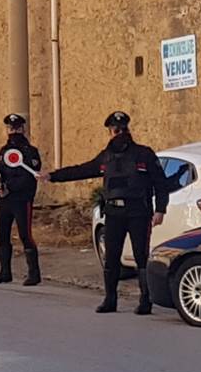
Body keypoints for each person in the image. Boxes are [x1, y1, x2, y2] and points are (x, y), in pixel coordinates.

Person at [42, 111, 167, 314]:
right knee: (112, 257)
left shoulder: (144, 154)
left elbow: (161, 184)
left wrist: (161, 209)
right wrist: (53, 176)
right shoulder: (106, 157)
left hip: (138, 212)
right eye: (116, 131)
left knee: (140, 256)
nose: (117, 134)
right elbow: (82, 170)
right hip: (113, 213)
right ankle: (110, 300)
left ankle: (145, 301)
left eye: (118, 130)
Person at [0, 113, 42, 286]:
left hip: (22, 199)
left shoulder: (30, 152)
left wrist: (10, 187)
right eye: (10, 129)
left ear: (23, 129)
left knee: (25, 235)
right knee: (2, 234)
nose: (13, 132)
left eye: (16, 128)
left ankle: (34, 274)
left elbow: (27, 177)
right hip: (6, 199)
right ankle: (5, 272)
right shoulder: (4, 151)